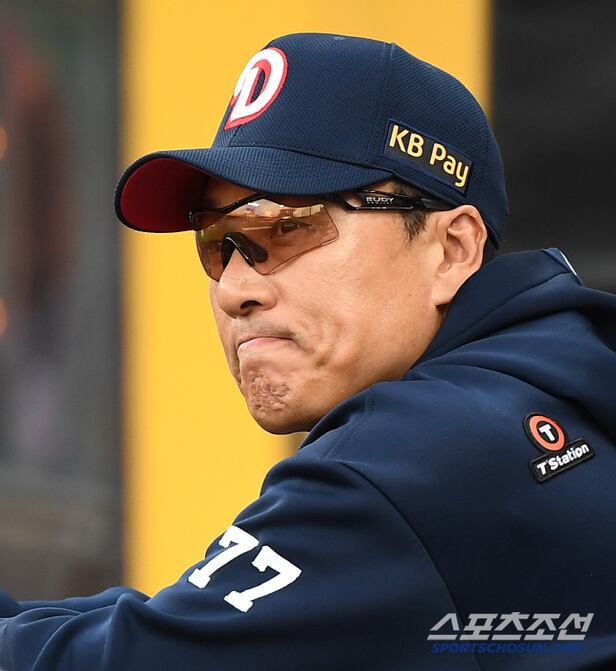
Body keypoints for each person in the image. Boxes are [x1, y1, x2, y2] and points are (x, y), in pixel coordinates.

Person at [1, 31, 615, 671]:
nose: (234, 288)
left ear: (451, 249)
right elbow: (180, 623)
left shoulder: (411, 457)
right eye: (216, 241)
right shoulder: (553, 389)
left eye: (286, 226)